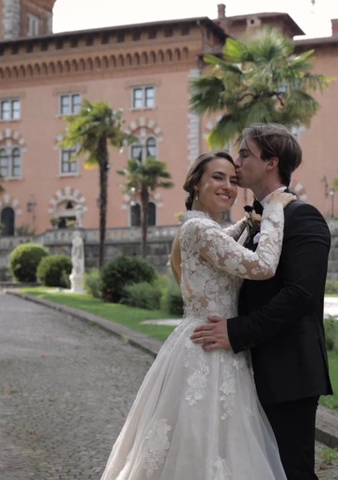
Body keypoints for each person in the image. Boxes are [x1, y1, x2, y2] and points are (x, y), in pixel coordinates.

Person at [100, 151, 295, 480]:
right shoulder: (201, 231)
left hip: (214, 343)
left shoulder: (200, 227)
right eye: (217, 177)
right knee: (202, 441)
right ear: (195, 183)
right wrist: (275, 209)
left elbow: (224, 240)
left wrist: (247, 224)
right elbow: (262, 266)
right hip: (207, 351)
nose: (228, 186)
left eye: (233, 180)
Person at [191, 123, 333, 480]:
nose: (237, 162)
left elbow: (299, 295)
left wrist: (236, 332)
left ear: (271, 162)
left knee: (292, 472)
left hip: (289, 373)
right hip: (246, 372)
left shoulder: (304, 217)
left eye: (244, 153)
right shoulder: (253, 221)